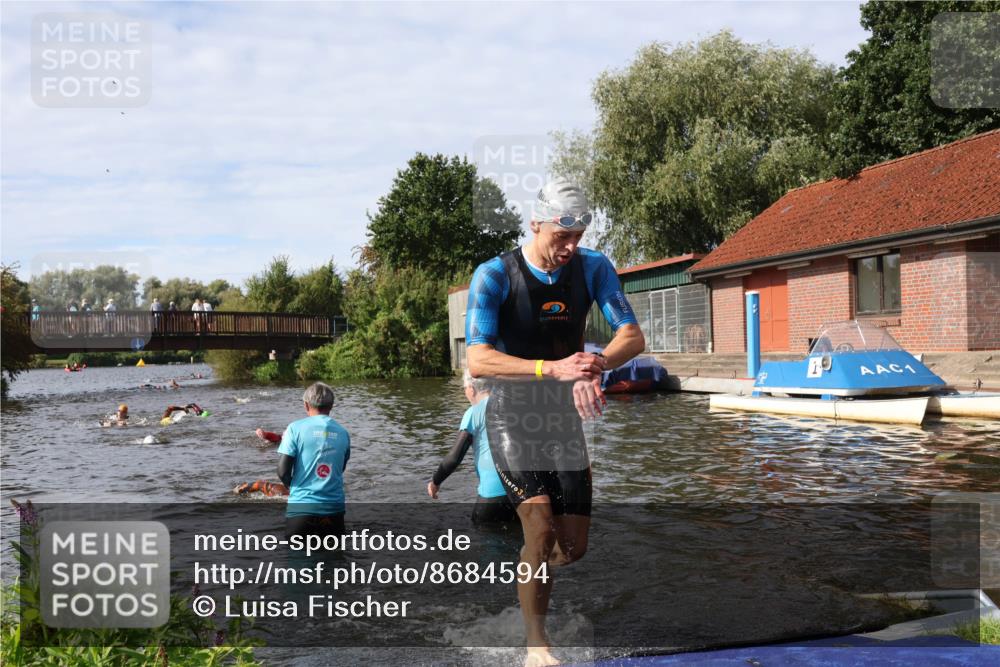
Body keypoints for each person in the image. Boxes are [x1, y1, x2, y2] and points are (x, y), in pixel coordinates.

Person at [465, 178, 645, 667]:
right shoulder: (494, 275)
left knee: (572, 548)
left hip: (562, 420)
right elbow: (479, 360)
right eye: (559, 238)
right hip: (511, 418)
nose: (569, 248)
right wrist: (552, 368)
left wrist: (596, 364)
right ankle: (536, 646)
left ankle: (529, 573)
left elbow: (631, 335)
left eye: (578, 238)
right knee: (540, 532)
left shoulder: (593, 268)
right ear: (535, 224)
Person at [427, 371, 515, 525]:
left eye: (464, 388)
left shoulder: (473, 412)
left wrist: (435, 481)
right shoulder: (510, 406)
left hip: (492, 495)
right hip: (521, 495)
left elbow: (454, 457)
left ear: (471, 388)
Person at [277, 382, 350, 539]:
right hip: (333, 511)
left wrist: (295, 489)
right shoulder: (343, 433)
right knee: (335, 560)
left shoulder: (294, 428)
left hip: (301, 511)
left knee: (298, 560)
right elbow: (340, 469)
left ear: (306, 405)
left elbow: (283, 471)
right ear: (331, 406)